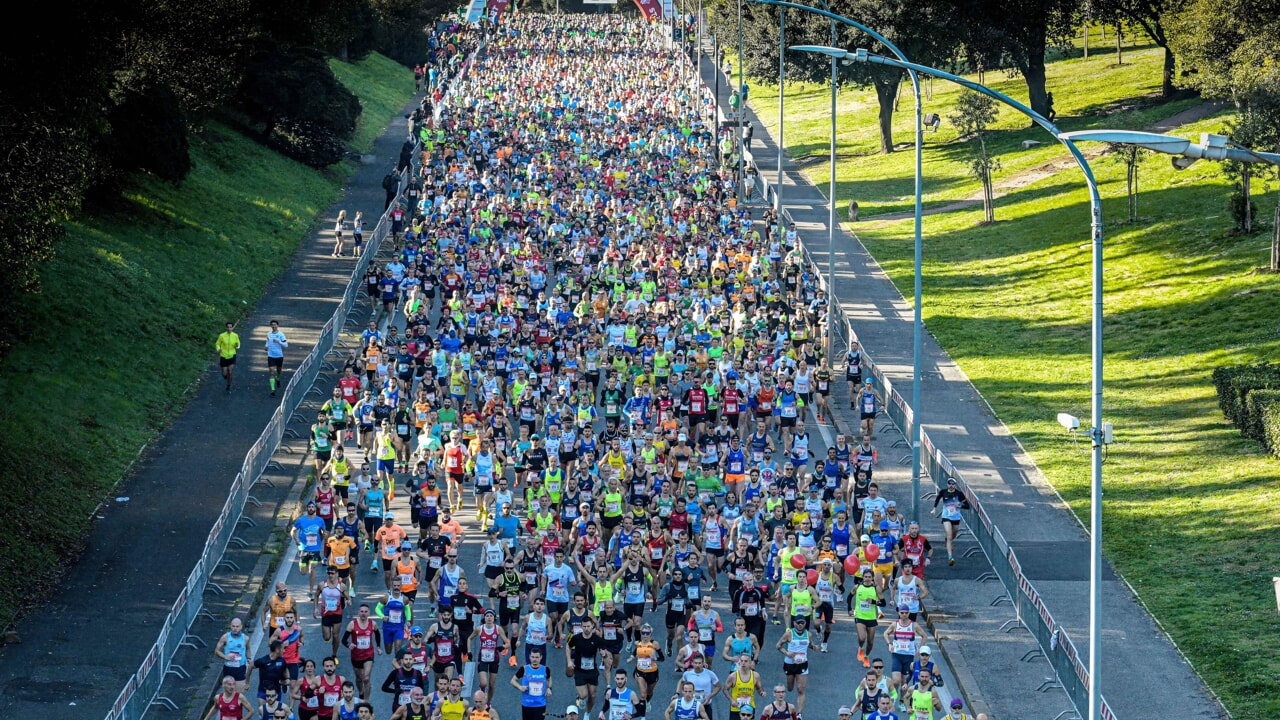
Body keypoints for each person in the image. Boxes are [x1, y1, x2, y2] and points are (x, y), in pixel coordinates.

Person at [774, 617, 818, 714]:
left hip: (802, 664)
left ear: (805, 623)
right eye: (798, 623)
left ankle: (799, 714)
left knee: (800, 689)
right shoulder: (789, 634)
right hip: (790, 664)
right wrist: (787, 653)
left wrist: (814, 647)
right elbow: (778, 646)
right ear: (794, 623)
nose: (800, 625)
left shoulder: (808, 634)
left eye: (802, 623)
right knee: (790, 688)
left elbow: (809, 645)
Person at [343, 603, 383, 700]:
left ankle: (366, 701)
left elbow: (378, 635)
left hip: (368, 655)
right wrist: (349, 645)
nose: (363, 614)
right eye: (361, 612)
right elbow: (343, 640)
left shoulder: (373, 624)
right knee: (359, 679)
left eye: (365, 612)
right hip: (356, 655)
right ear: (358, 612)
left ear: (369, 613)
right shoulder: (352, 624)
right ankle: (361, 692)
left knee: (366, 678)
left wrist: (378, 647)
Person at [930, 478, 969, 565]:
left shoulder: (959, 494)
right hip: (946, 517)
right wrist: (934, 509)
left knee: (953, 535)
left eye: (953, 484)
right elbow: (937, 499)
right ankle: (950, 557)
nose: (951, 485)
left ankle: (948, 540)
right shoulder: (943, 492)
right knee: (949, 536)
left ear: (955, 485)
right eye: (949, 484)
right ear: (947, 484)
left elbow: (967, 506)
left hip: (956, 518)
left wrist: (959, 505)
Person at [511, 647, 552, 720]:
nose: (534, 659)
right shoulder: (524, 669)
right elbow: (513, 680)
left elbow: (549, 678)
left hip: (540, 704)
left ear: (541, 657)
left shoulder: (545, 669)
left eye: (537, 657)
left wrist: (549, 688)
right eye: (532, 657)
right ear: (529, 657)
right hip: (527, 704)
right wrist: (520, 687)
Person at [214, 617, 250, 691]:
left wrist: (249, 658)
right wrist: (226, 657)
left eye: (237, 626)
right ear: (230, 626)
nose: (235, 628)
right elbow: (217, 651)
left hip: (240, 668)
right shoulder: (225, 637)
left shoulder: (245, 638)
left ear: (241, 626)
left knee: (239, 694)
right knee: (229, 692)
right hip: (229, 668)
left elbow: (248, 648)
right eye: (233, 626)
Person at [266, 319, 289, 396]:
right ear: (271, 326)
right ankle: (273, 389)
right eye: (272, 325)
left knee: (279, 370)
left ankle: (278, 378)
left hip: (279, 355)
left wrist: (279, 341)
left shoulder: (281, 334)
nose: (273, 326)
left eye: (275, 325)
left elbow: (286, 345)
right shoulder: (269, 334)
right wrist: (266, 347)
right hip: (271, 355)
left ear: (277, 326)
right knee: (271, 371)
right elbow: (268, 342)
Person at [217, 321, 241, 393]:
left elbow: (238, 343)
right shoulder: (222, 336)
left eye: (230, 327)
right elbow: (217, 343)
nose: (229, 328)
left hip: (232, 355)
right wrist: (218, 349)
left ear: (232, 328)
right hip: (223, 356)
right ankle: (226, 377)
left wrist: (237, 345)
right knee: (224, 373)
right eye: (228, 327)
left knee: (230, 372)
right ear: (226, 327)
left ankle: (229, 385)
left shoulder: (235, 335)